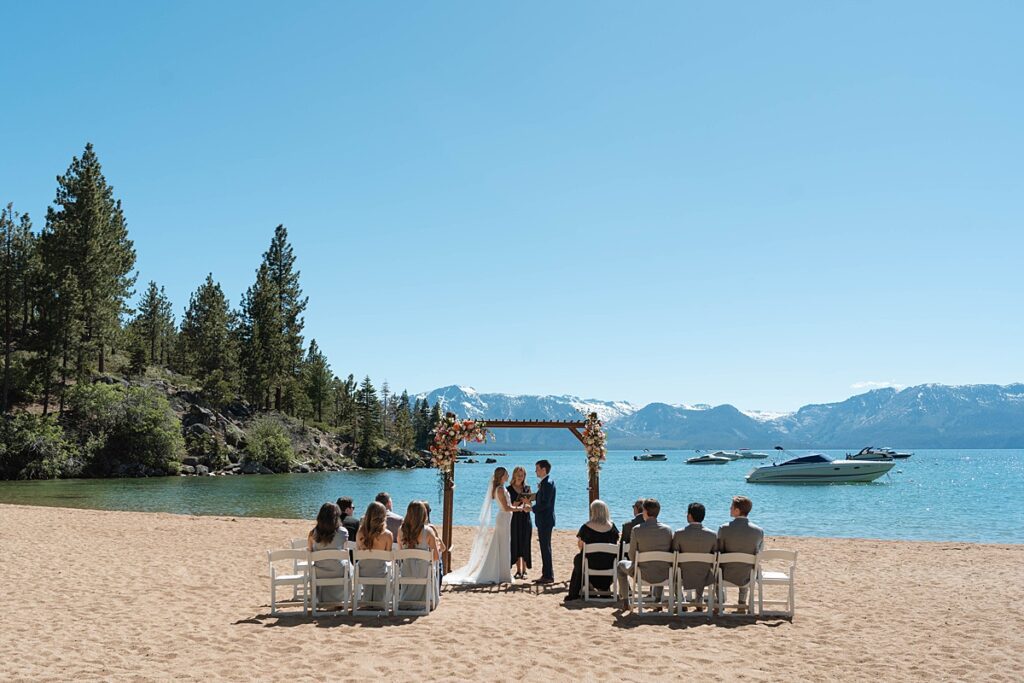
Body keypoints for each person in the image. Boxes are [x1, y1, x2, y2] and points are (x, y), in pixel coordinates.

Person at [442, 466, 527, 585]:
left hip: (505, 519)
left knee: (503, 545)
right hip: (503, 519)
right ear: (502, 476)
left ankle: (502, 573)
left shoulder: (500, 488)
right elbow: (506, 507)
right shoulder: (500, 489)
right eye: (506, 474)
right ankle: (501, 574)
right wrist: (520, 508)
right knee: (502, 545)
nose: (508, 476)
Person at [616, 498, 673, 609]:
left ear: (645, 512)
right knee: (659, 564)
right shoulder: (668, 530)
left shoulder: (637, 530)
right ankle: (657, 600)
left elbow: (632, 555)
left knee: (620, 566)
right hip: (663, 575)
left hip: (642, 574)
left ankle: (626, 601)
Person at [716, 495, 764, 613]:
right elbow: (759, 553)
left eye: (731, 507)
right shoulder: (758, 531)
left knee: (717, 568)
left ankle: (720, 601)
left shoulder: (724, 528)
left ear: (737, 511)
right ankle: (742, 603)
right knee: (747, 566)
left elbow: (719, 551)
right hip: (748, 575)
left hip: (726, 574)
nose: (729, 509)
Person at [565, 499, 619, 601]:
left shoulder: (586, 527)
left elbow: (581, 547)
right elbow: (615, 544)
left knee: (578, 559)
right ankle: (604, 587)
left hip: (590, 565)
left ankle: (575, 592)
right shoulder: (612, 528)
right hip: (608, 565)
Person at [672, 502, 718, 609]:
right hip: (704, 575)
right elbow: (715, 555)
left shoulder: (679, 533)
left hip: (683, 574)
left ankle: (681, 600)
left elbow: (674, 554)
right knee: (701, 567)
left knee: (673, 572)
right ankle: (699, 599)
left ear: (689, 516)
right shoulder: (712, 535)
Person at [396, 501, 440, 607]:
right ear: (423, 514)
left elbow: (400, 551)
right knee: (431, 567)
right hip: (423, 572)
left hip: (407, 570)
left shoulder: (401, 530)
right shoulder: (428, 532)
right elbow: (436, 557)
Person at [306, 502, 349, 604]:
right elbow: (345, 551)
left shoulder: (313, 533)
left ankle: (322, 598)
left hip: (319, 572)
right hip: (339, 571)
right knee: (349, 566)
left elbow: (310, 551)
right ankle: (340, 599)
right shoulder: (343, 532)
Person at [355, 501, 394, 606]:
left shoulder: (359, 533)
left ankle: (369, 600)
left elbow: (358, 552)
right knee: (388, 568)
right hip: (380, 572)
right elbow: (388, 558)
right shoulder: (388, 535)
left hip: (363, 572)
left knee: (369, 565)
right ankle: (379, 601)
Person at [532, 459, 556, 584]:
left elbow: (545, 504)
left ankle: (548, 575)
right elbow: (541, 498)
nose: (535, 471)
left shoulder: (547, 483)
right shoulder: (546, 482)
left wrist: (531, 508)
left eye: (537, 468)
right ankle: (546, 574)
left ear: (543, 469)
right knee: (545, 547)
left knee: (545, 547)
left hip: (545, 520)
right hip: (545, 520)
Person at [507, 465, 533, 580]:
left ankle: (525, 571)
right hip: (514, 519)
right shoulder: (508, 489)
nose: (520, 477)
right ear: (514, 475)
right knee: (516, 543)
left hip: (525, 518)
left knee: (525, 543)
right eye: (518, 475)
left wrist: (527, 503)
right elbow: (507, 506)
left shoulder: (527, 489)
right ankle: (518, 570)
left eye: (522, 475)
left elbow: (530, 505)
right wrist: (516, 504)